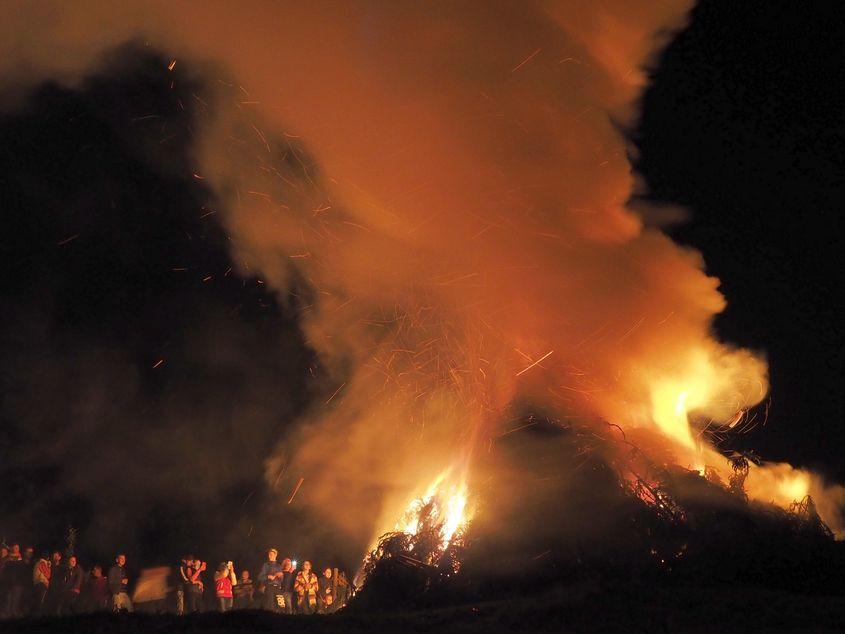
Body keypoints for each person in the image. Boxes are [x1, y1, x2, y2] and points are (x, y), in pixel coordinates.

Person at [1, 544, 24, 618]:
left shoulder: (21, 559)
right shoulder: (7, 559)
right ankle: (7, 614)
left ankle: (13, 613)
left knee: (16, 599)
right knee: (8, 598)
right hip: (8, 582)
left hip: (18, 582)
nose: (15, 549)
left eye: (17, 548)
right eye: (14, 548)